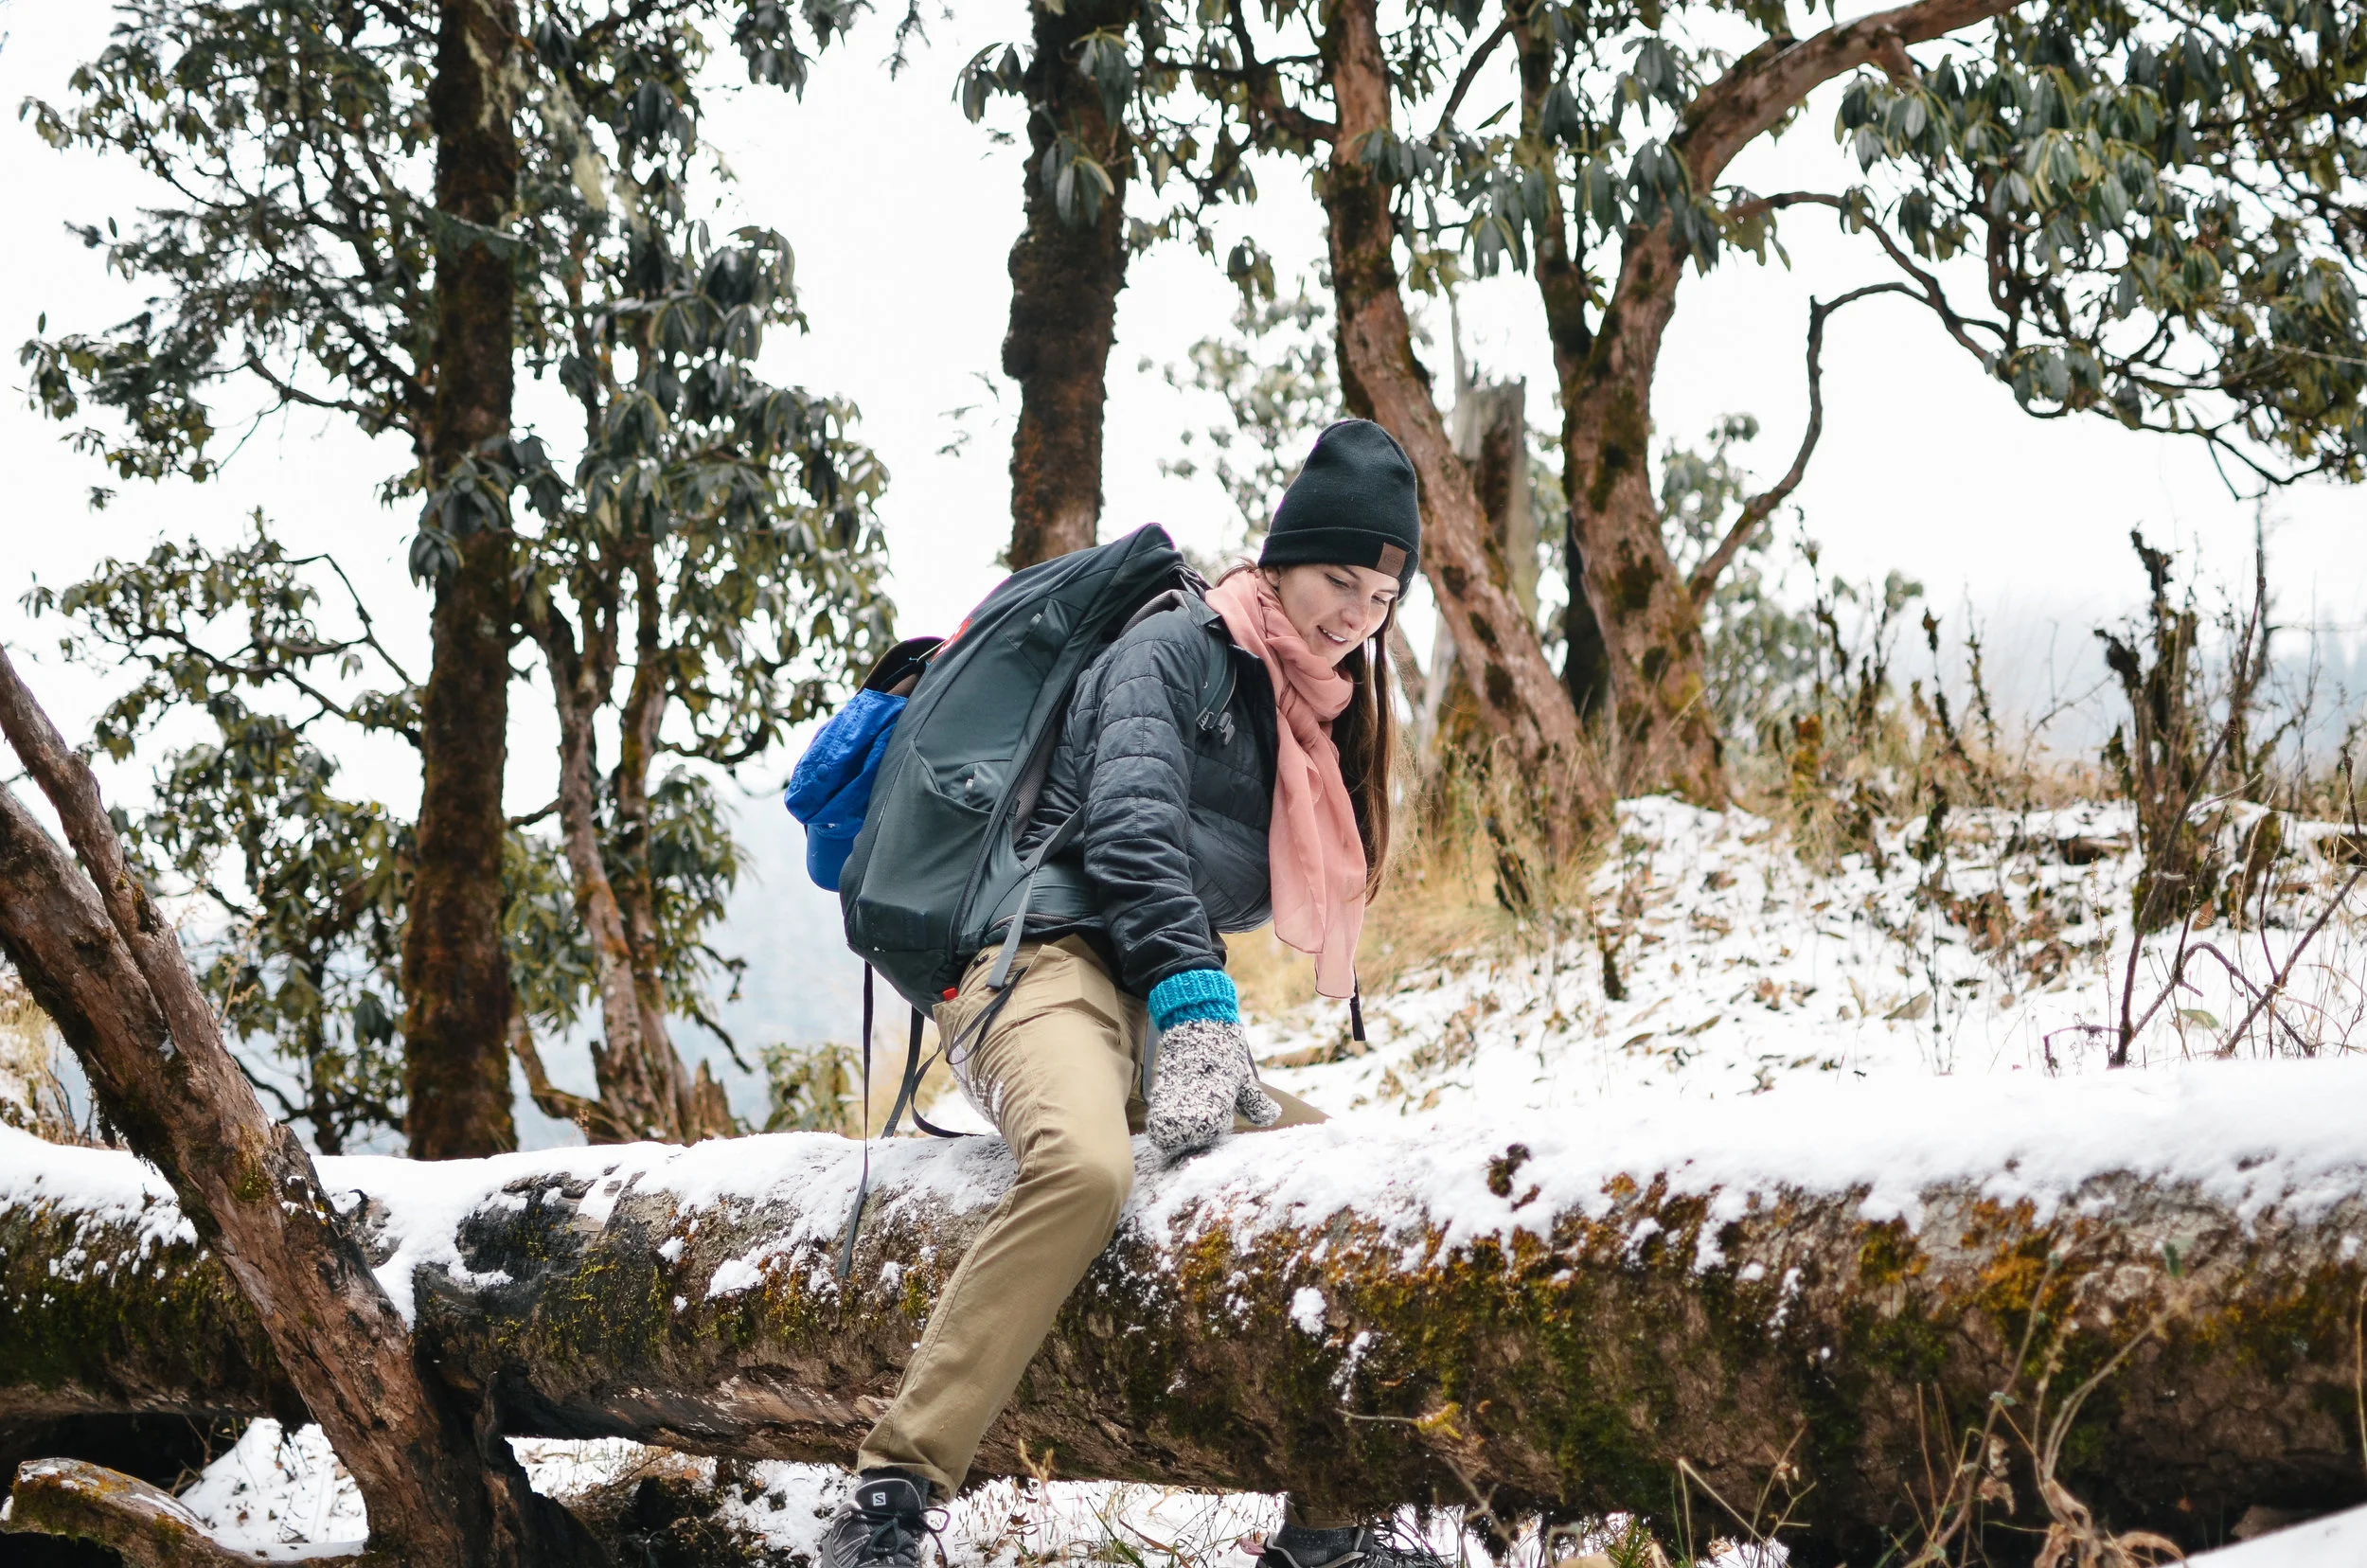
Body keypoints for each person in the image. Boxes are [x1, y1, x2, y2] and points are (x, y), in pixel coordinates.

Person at [822, 419, 1441, 1568]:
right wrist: (1197, 1000)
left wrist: (1186, 1002)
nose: (1354, 615)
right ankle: (889, 1498)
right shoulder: (1172, 651)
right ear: (1281, 561)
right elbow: (1130, 828)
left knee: (1331, 1179)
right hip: (1032, 965)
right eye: (1335, 581)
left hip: (1155, 989)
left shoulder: (1302, 705)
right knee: (1087, 1164)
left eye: (1379, 598)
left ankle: (1326, 1529)